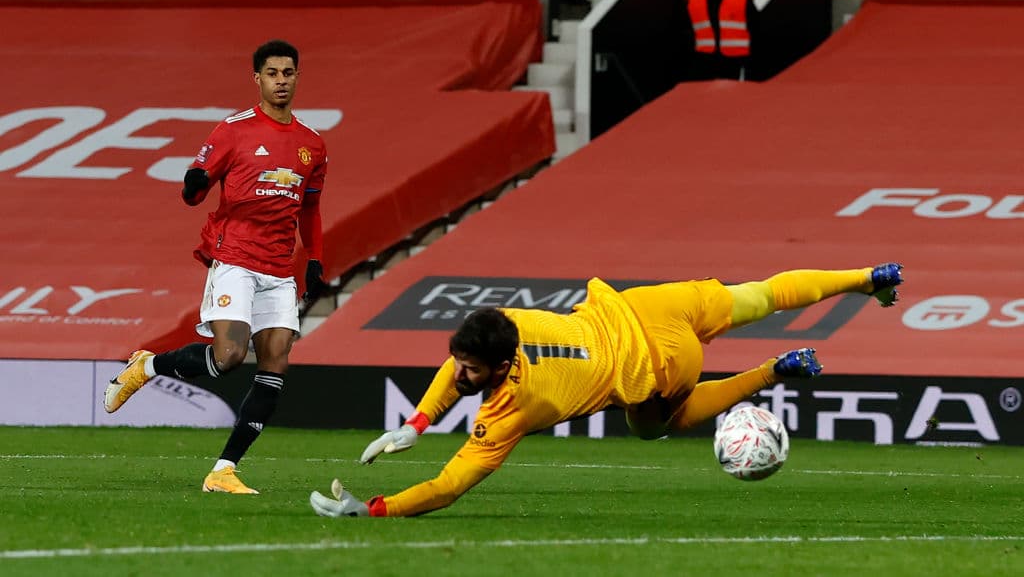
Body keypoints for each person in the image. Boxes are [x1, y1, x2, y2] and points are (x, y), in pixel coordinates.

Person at [309, 263, 903, 517]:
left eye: (470, 370)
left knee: (649, 427)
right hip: (646, 304)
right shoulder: (506, 323)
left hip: (662, 365)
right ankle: (864, 279)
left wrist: (377, 508)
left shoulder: (514, 409)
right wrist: (417, 423)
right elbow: (458, 366)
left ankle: (773, 371)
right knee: (761, 295)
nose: (459, 374)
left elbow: (449, 485)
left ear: (498, 368)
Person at [104, 39, 330, 495]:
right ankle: (147, 368)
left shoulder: (313, 145)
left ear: (297, 77)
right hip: (235, 258)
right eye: (272, 73)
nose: (281, 81)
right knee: (227, 358)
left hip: (279, 268)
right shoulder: (233, 130)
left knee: (275, 364)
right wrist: (192, 185)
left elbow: (310, 209)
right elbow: (195, 190)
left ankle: (223, 470)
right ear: (257, 78)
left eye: (288, 73)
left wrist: (316, 260)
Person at [682, 0, 759, 81]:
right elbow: (684, 24)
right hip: (704, 58)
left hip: (733, 59)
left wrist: (751, 58)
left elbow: (755, 23)